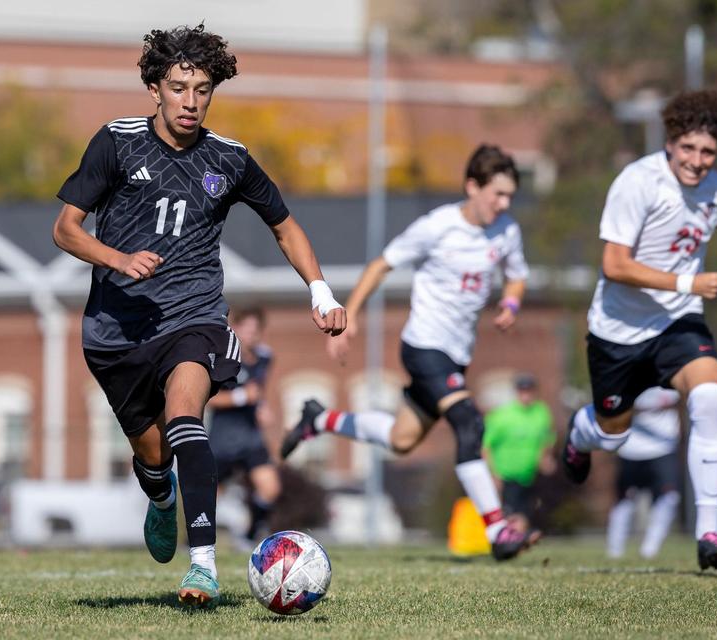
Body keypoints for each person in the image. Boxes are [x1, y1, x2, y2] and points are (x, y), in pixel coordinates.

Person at [51, 24, 346, 608]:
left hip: (195, 316)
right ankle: (160, 497)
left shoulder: (229, 159)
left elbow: (284, 226)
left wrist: (320, 291)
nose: (191, 102)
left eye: (202, 90)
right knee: (153, 454)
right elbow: (65, 229)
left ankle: (204, 565)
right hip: (117, 331)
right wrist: (118, 259)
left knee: (187, 413)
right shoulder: (116, 143)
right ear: (155, 88)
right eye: (179, 88)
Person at [281, 144, 539, 561]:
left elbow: (516, 277)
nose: (504, 204)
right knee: (469, 423)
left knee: (402, 439)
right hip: (424, 346)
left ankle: (319, 418)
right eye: (497, 194)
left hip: (456, 356)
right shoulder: (437, 226)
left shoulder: (506, 230)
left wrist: (510, 304)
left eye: (509, 196)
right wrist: (351, 317)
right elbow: (381, 265)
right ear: (472, 186)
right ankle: (497, 530)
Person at [558, 89, 717, 571]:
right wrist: (687, 280)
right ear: (671, 142)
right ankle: (579, 433)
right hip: (618, 331)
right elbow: (614, 265)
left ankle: (709, 534)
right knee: (612, 435)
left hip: (677, 321)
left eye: (708, 152)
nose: (697, 161)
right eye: (688, 148)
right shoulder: (638, 182)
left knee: (711, 398)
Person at [206, 306, 281, 550]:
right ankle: (198, 542)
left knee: (270, 487)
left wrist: (262, 407)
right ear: (234, 329)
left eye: (254, 329)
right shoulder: (221, 359)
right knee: (210, 498)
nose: (250, 334)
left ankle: (248, 536)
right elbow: (207, 399)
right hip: (223, 438)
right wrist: (240, 398)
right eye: (245, 328)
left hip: (250, 436)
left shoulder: (264, 358)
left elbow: (258, 391)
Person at [605, 387, 682, 559]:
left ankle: (650, 548)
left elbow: (684, 398)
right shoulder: (629, 373)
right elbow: (612, 405)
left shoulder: (669, 371)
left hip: (664, 448)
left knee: (670, 497)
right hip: (630, 448)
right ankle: (614, 550)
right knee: (624, 499)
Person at [482, 374, 556, 528]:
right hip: (506, 474)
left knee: (529, 510)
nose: (526, 395)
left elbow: (547, 438)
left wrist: (545, 458)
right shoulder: (501, 416)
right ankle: (511, 541)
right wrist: (492, 473)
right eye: (522, 391)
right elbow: (485, 446)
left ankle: (517, 540)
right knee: (512, 513)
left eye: (529, 391)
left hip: (531, 473)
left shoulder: (541, 412)